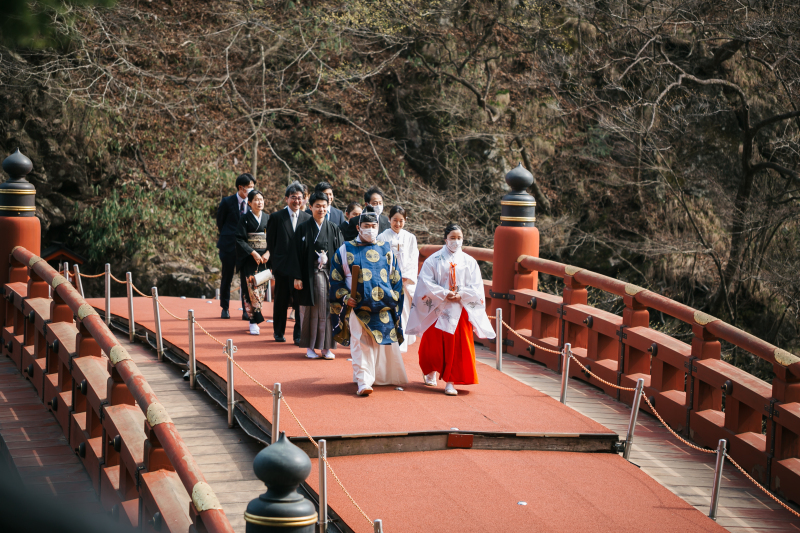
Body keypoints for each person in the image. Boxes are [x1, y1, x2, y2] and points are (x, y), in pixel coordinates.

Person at [406, 223, 495, 396]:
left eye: (459, 238)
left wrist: (461, 295)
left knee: (457, 346)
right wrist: (444, 293)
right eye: (452, 238)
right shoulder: (434, 259)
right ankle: (431, 370)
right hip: (438, 308)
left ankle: (450, 381)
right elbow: (425, 281)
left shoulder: (469, 262)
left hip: (459, 308)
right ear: (445, 238)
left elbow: (476, 286)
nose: (455, 241)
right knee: (433, 346)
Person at [329, 206, 408, 396]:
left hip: (382, 305)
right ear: (358, 227)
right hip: (357, 305)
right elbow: (335, 278)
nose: (370, 229)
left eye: (374, 226)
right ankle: (364, 381)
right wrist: (345, 297)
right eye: (366, 225)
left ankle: (369, 376)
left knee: (377, 344)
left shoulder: (386, 250)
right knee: (360, 342)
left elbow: (395, 278)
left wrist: (394, 299)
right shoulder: (345, 249)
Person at [295, 192, 345, 359]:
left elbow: (340, 253)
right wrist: (297, 277)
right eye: (317, 206)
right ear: (310, 207)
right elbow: (295, 254)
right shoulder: (303, 228)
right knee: (310, 311)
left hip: (329, 275)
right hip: (310, 275)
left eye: (324, 206)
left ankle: (326, 347)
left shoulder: (333, 228)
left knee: (329, 311)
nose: (321, 209)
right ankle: (310, 346)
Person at [266, 182, 311, 343]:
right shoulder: (277, 217)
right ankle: (278, 331)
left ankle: (298, 335)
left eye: (300, 198)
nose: (297, 201)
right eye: (293, 198)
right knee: (281, 300)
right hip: (283, 267)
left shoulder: (307, 218)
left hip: (300, 268)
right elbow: (270, 242)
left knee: (300, 302)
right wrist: (275, 265)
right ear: (286, 199)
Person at [378, 206, 419, 352]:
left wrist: (405, 276)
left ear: (405, 221)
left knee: (404, 311)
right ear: (389, 219)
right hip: (388, 281)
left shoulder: (410, 238)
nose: (398, 224)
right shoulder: (382, 237)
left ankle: (402, 343)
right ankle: (389, 341)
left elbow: (414, 259)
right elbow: (380, 258)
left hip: (404, 281)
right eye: (395, 220)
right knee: (388, 311)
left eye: (401, 221)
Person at [216, 173, 254, 319]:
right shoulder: (227, 202)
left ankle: (246, 309)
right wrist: (228, 235)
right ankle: (225, 308)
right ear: (241, 187)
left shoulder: (252, 203)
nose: (251, 190)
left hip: (245, 248)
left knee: (245, 278)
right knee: (227, 277)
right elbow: (220, 222)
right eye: (249, 187)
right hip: (228, 246)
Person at [235, 190, 270, 335]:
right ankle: (253, 320)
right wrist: (253, 252)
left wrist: (269, 253)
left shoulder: (268, 218)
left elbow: (274, 239)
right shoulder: (244, 219)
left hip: (264, 260)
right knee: (251, 290)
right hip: (249, 258)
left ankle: (257, 315)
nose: (259, 202)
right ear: (249, 203)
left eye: (261, 199)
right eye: (255, 200)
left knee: (261, 290)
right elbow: (240, 239)